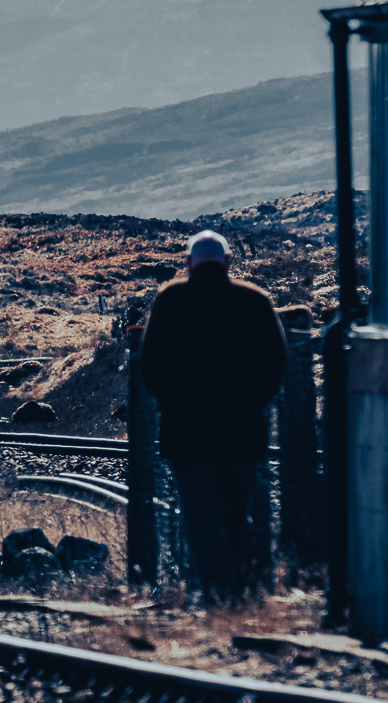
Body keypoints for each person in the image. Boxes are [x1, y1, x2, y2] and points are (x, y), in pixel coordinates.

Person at [141, 230, 287, 603]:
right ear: (227, 262)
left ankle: (216, 592)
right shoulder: (255, 301)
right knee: (236, 513)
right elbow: (277, 366)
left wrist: (171, 402)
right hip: (243, 430)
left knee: (199, 513)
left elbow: (151, 367)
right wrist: (255, 403)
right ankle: (240, 590)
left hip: (186, 431)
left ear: (189, 263)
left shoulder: (170, 300)